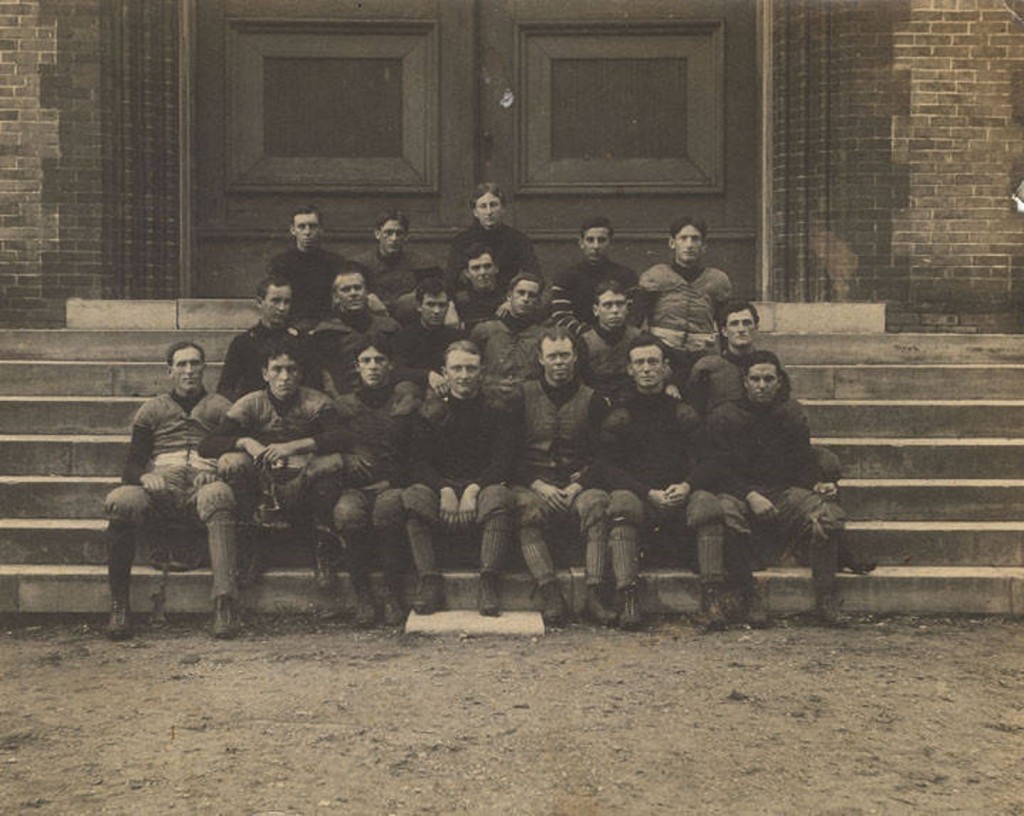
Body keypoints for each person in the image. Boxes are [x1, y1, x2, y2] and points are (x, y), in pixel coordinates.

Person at [599, 335, 756, 629]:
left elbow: (711, 459)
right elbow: (607, 466)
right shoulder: (620, 414)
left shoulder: (683, 413)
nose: (647, 368)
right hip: (642, 498)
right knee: (621, 504)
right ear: (630, 370)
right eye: (640, 363)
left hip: (678, 496)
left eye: (653, 362)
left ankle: (712, 598)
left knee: (707, 505)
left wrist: (686, 485)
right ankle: (628, 599)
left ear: (665, 368)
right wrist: (646, 492)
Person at [704, 351, 860, 624]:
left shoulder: (790, 412)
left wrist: (817, 483)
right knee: (724, 513)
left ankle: (825, 596)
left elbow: (802, 459)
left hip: (782, 492)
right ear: (745, 382)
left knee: (827, 515)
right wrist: (750, 496)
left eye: (768, 379)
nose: (761, 385)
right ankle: (748, 594)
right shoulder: (725, 416)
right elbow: (718, 468)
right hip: (741, 492)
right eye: (755, 379)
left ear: (778, 382)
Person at [103, 342, 238, 640]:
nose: (188, 371)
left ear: (205, 368)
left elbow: (234, 452)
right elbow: (132, 464)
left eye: (195, 363)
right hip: (161, 485)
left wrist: (214, 472)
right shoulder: (152, 409)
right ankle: (119, 604)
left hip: (202, 485)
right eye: (181, 364)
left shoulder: (222, 407)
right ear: (169, 371)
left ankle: (224, 603)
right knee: (120, 501)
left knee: (220, 495)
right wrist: (145, 476)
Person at [199, 339, 358, 593]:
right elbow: (207, 445)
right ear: (265, 373)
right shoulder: (250, 403)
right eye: (277, 369)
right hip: (263, 484)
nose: (284, 377)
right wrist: (245, 441)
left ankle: (323, 547)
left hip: (304, 483)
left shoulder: (316, 401)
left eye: (291, 369)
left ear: (300, 373)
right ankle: (251, 544)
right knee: (232, 461)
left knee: (333, 463)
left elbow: (344, 437)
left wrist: (295, 446)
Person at [401, 340, 517, 616]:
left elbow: (503, 460)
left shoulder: (498, 409)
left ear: (482, 371)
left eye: (470, 368)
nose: (464, 375)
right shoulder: (428, 412)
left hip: (482, 484)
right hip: (443, 486)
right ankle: (429, 581)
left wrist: (474, 488)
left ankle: (488, 582)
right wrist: (443, 488)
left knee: (499, 498)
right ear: (445, 371)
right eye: (457, 368)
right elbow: (418, 462)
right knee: (415, 496)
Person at [512, 326, 611, 626]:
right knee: (526, 510)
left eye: (565, 355)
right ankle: (550, 592)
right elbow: (508, 456)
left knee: (598, 505)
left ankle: (594, 593)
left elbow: (604, 456)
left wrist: (579, 485)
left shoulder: (593, 400)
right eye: (552, 356)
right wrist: (539, 485)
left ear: (575, 358)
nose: (559, 362)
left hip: (577, 483)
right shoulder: (523, 396)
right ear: (541, 359)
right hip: (534, 481)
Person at [332, 336, 422, 627]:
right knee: (347, 513)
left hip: (391, 484)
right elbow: (330, 444)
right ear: (357, 367)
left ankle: (392, 593)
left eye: (379, 360)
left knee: (388, 509)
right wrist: (346, 459)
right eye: (366, 361)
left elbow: (416, 454)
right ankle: (363, 596)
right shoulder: (343, 406)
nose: (373, 367)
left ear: (390, 365)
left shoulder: (405, 405)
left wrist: (392, 480)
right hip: (354, 486)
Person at [633, 216, 732, 386]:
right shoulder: (656, 276)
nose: (689, 244)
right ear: (672, 243)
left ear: (704, 246)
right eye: (683, 238)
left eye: (695, 239)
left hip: (702, 352)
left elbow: (725, 325)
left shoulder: (717, 280)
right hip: (664, 353)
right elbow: (635, 322)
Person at [217, 275, 315, 402]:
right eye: (276, 301)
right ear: (259, 302)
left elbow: (313, 385)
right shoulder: (243, 343)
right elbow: (226, 388)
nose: (282, 308)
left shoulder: (302, 341)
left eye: (287, 302)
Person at [309, 267, 400, 399]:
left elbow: (399, 367)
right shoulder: (327, 332)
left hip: (386, 398)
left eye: (358, 288)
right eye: (346, 290)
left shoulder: (389, 327)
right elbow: (324, 375)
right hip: (345, 400)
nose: (353, 293)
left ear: (366, 292)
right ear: (336, 297)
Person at [446, 182, 540, 295]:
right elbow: (451, 280)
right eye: (483, 206)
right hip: (471, 304)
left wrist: (511, 301)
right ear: (475, 212)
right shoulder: (462, 241)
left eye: (494, 205)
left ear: (503, 208)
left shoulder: (518, 239)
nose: (489, 212)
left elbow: (535, 277)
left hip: (507, 303)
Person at [550, 216, 637, 337]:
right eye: (590, 240)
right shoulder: (565, 277)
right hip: (579, 340)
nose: (596, 246)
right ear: (581, 243)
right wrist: (590, 336)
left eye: (601, 240)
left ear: (610, 243)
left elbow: (633, 313)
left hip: (619, 339)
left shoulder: (627, 276)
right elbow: (561, 316)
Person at [469, 273, 546, 409]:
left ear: (538, 301)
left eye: (531, 295)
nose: (525, 299)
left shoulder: (542, 336)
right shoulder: (485, 331)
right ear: (509, 296)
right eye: (521, 293)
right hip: (488, 404)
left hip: (527, 406)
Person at [350, 209, 439, 326]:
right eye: (388, 232)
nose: (394, 238)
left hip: (411, 323)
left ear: (406, 236)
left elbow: (436, 293)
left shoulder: (423, 264)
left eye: (399, 233)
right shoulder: (359, 264)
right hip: (371, 323)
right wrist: (367, 297)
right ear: (377, 234)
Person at [269, 205, 347, 329]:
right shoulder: (280, 263)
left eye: (312, 226)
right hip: (290, 326)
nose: (307, 232)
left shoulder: (335, 262)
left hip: (327, 325)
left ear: (321, 230)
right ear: (293, 230)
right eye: (301, 227)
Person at [686, 299, 760, 417]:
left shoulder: (767, 366)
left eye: (747, 323)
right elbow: (696, 411)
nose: (741, 329)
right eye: (734, 324)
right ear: (724, 331)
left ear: (756, 327)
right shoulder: (707, 368)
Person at [391, 277, 465, 392]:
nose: (436, 311)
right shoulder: (405, 336)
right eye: (430, 304)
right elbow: (397, 371)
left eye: (442, 305)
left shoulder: (456, 337)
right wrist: (427, 375)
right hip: (418, 390)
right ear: (419, 306)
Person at [578, 279, 643, 402]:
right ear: (596, 310)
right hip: (596, 400)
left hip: (633, 398)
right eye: (608, 305)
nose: (615, 311)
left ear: (627, 308)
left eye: (620, 304)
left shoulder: (639, 337)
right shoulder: (584, 342)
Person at [452, 243, 507, 331]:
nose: (482, 272)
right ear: (467, 273)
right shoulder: (459, 302)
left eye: (487, 266)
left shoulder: (508, 299)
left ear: (496, 268)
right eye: (476, 268)